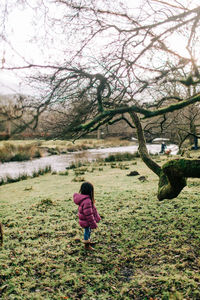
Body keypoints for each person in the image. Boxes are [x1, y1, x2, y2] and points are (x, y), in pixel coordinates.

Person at [73, 182, 101, 251]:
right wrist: (93, 223)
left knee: (88, 231)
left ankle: (88, 241)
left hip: (85, 219)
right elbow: (89, 215)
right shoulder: (87, 201)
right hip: (86, 220)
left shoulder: (85, 199)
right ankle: (86, 245)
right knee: (87, 231)